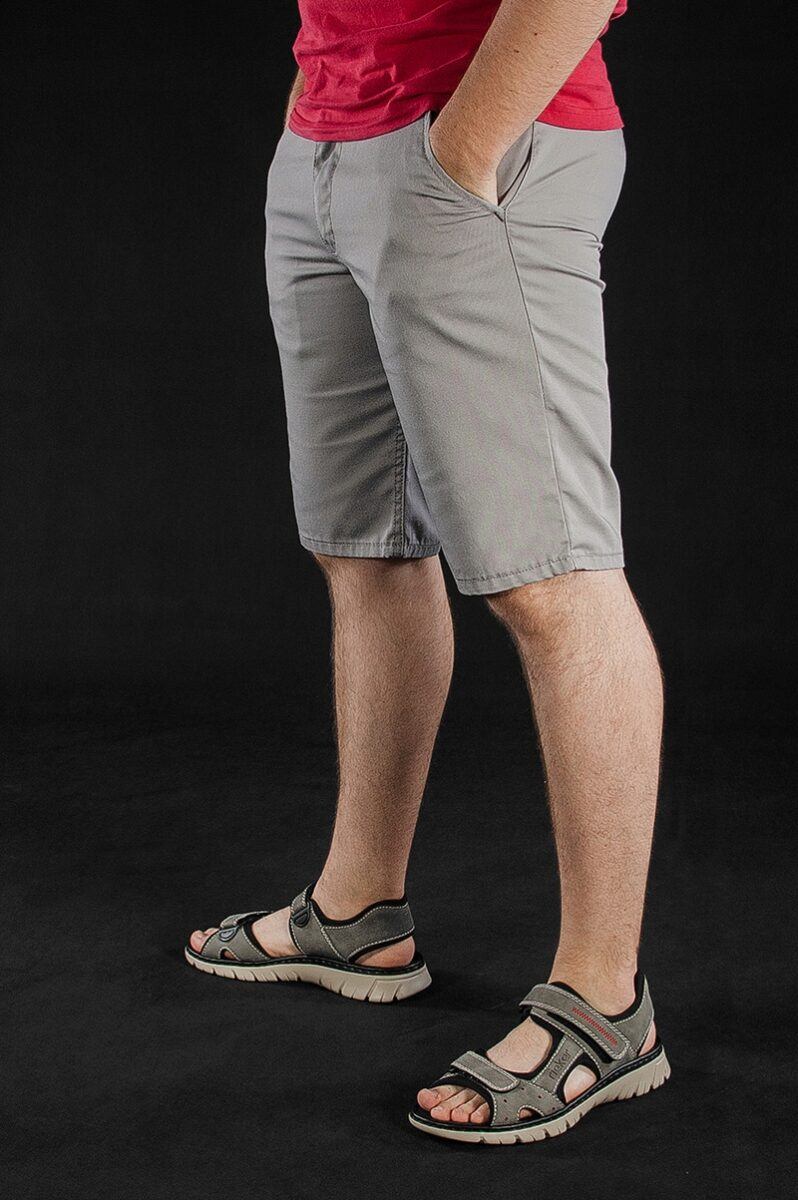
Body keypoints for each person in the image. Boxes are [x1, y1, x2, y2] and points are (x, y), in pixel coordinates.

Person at [185, 0, 670, 1144]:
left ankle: (605, 1004)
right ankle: (358, 913)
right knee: (363, 546)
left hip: (480, 143)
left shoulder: (468, 150)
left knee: (552, 577)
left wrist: (461, 150)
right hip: (328, 139)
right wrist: (321, 112)